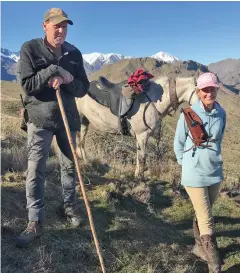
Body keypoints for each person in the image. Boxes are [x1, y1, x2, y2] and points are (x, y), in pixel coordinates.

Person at [16, 8, 90, 248]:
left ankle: (69, 206)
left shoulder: (74, 53)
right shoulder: (31, 49)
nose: (61, 30)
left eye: (65, 26)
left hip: (68, 118)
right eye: (56, 25)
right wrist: (53, 70)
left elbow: (82, 89)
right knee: (36, 168)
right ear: (45, 25)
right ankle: (35, 220)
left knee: (70, 166)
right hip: (40, 120)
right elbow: (28, 86)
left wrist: (69, 80)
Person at [174, 72, 226, 273]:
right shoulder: (188, 114)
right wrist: (186, 164)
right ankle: (214, 265)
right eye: (205, 89)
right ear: (198, 91)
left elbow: (219, 140)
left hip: (214, 170)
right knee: (206, 218)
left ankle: (199, 247)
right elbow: (178, 143)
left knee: (205, 211)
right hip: (194, 173)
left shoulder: (221, 113)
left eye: (212, 88)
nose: (209, 92)